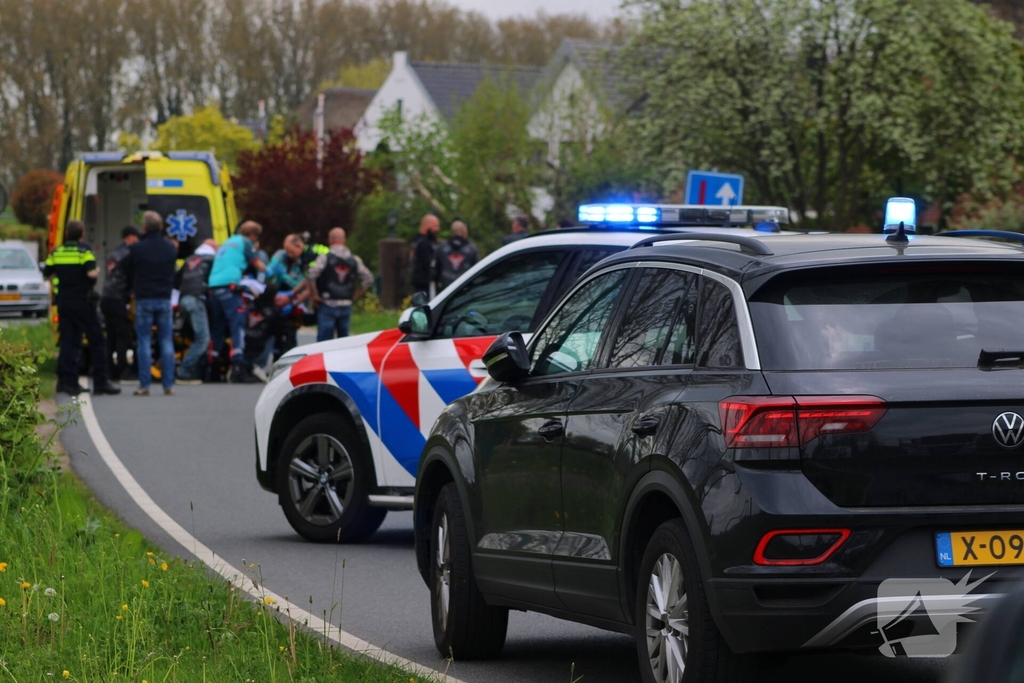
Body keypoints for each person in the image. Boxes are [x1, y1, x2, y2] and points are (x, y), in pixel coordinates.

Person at [44, 220, 121, 396]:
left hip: (64, 302)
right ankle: (101, 383)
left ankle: (68, 383)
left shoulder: (57, 252)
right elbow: (91, 273)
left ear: (66, 234)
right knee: (97, 341)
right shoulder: (84, 251)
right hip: (83, 302)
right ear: (82, 234)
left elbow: (47, 272)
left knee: (69, 341)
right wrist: (98, 270)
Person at [125, 211, 178, 396]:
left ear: (144, 228)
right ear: (161, 227)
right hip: (164, 297)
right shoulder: (171, 248)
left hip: (144, 298)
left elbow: (128, 269)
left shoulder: (138, 248)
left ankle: (145, 385)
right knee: (166, 340)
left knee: (144, 341)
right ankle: (168, 384)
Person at [207, 220, 266, 383]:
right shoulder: (245, 242)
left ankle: (211, 367)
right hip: (230, 287)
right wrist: (271, 269)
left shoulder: (228, 241)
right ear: (253, 235)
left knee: (217, 327)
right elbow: (259, 265)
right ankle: (238, 368)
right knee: (237, 325)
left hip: (214, 287)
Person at [308, 227, 373, 342]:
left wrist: (315, 295)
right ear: (344, 240)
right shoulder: (354, 259)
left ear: (330, 240)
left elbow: (311, 275)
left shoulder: (324, 258)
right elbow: (368, 279)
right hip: (346, 303)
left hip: (327, 302)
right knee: (343, 343)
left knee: (324, 344)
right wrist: (356, 295)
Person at [100, 225, 140, 383]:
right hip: (118, 298)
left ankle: (109, 368)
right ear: (130, 237)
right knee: (123, 336)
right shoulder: (129, 254)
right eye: (136, 238)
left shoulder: (113, 253)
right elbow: (131, 277)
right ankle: (122, 370)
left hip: (106, 298)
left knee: (110, 336)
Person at [175, 238, 217, 384]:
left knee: (193, 336)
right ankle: (184, 371)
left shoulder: (189, 259)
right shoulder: (213, 259)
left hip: (183, 299)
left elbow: (176, 280)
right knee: (203, 338)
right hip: (196, 299)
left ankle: (194, 369)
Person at [434, 220, 479, 290]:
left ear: (452, 231)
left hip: (446, 292)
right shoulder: (472, 249)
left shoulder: (441, 248)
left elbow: (436, 272)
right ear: (464, 231)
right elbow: (477, 272)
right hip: (466, 291)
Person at [409, 214, 439, 296]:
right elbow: (428, 265)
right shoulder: (424, 243)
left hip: (417, 283)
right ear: (426, 225)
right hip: (425, 284)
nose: (437, 229)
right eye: (435, 226)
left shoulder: (416, 241)